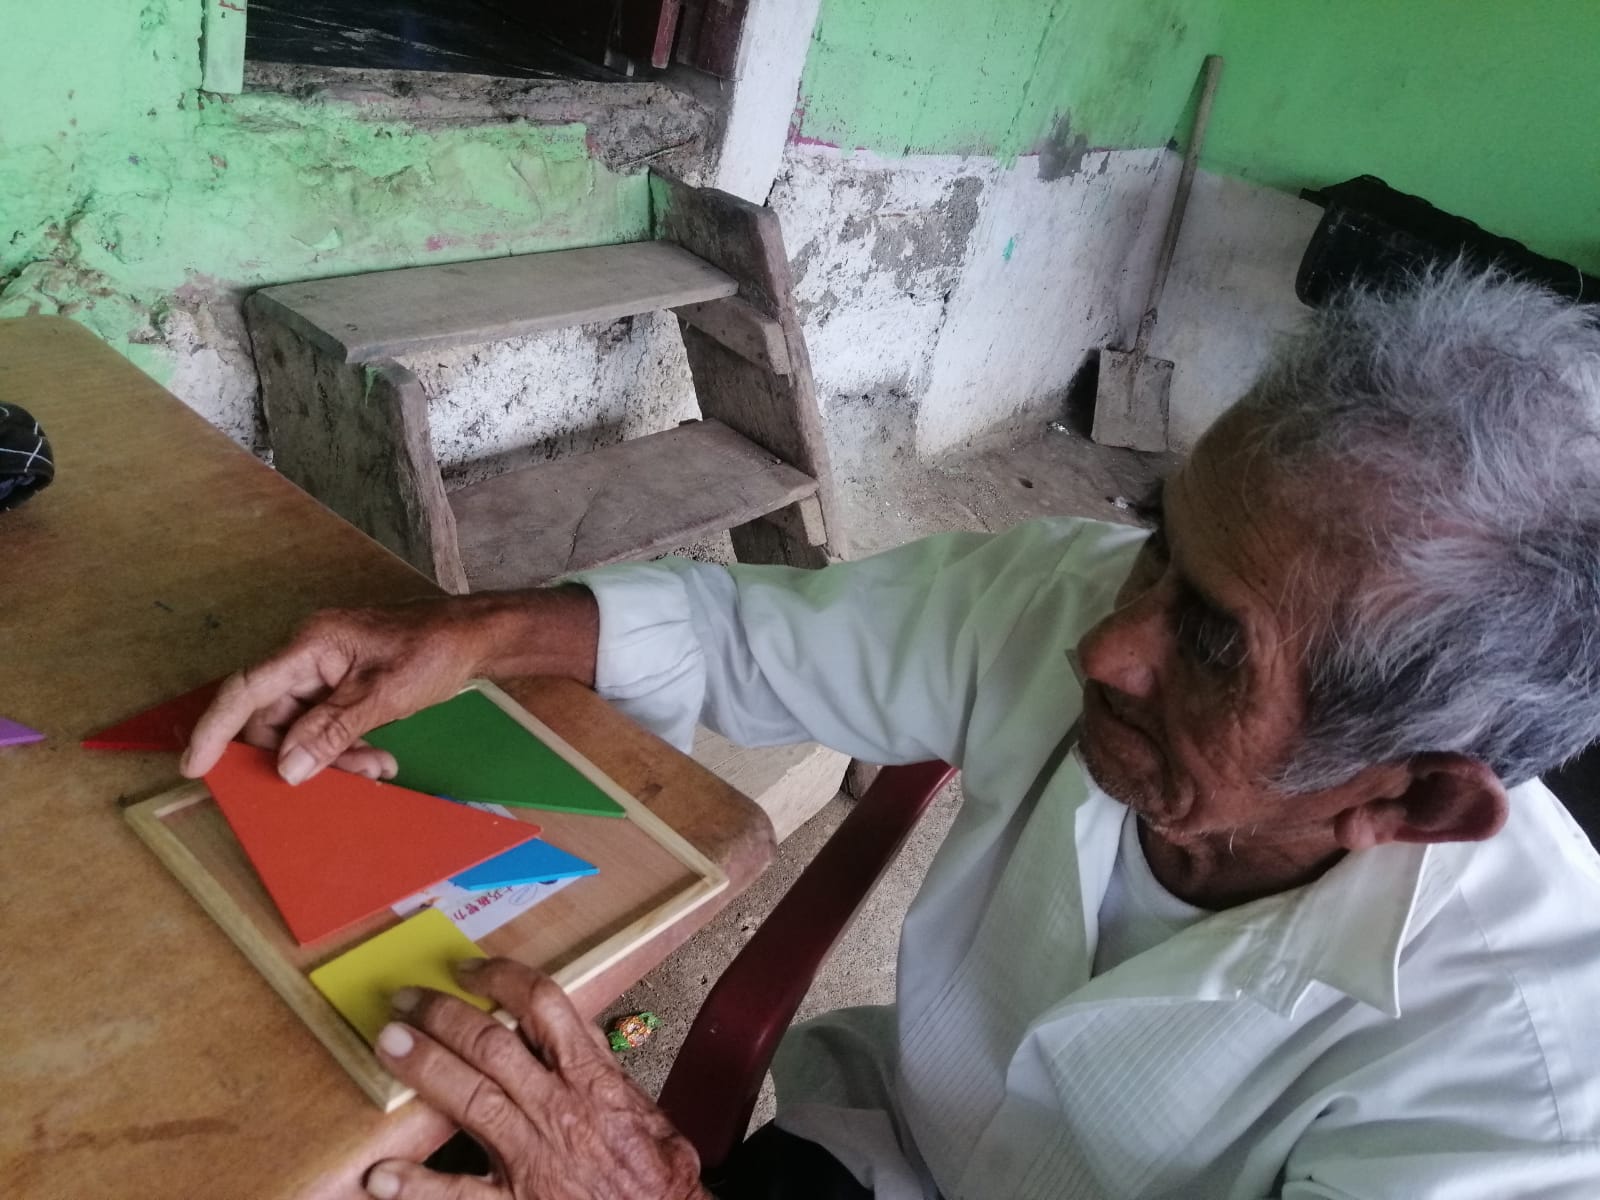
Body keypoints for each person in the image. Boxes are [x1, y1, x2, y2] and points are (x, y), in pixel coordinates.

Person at [181, 267, 1600, 1199]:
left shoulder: (1522, 1092)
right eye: (1160, 541)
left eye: (1218, 644)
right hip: (883, 1164)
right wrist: (470, 634)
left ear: (1412, 800)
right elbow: (750, 639)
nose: (1110, 645)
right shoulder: (1078, 601)